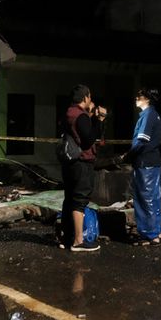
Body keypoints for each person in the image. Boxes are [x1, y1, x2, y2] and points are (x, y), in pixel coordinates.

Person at [60, 84, 107, 252]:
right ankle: (79, 241)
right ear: (85, 98)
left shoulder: (69, 112)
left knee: (70, 199)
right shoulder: (81, 116)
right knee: (80, 200)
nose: (91, 100)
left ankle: (66, 238)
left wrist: (90, 117)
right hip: (81, 163)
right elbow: (88, 140)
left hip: (70, 162)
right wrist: (99, 120)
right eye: (90, 97)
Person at [121, 88, 161, 245]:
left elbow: (141, 140)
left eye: (139, 96)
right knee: (152, 198)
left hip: (145, 163)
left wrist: (128, 155)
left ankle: (149, 234)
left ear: (147, 99)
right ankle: (154, 232)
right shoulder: (153, 114)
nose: (136, 99)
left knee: (145, 198)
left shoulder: (148, 115)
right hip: (151, 162)